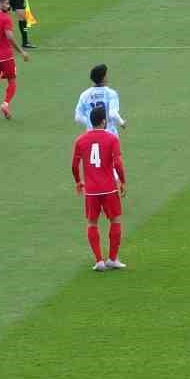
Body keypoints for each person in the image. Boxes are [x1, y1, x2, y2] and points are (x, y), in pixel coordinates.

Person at [72, 105, 128, 271]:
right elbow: (117, 163)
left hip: (91, 190)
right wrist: (123, 181)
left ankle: (99, 261)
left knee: (92, 223)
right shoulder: (112, 139)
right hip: (109, 188)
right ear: (104, 121)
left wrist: (78, 181)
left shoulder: (80, 140)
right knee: (115, 220)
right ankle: (112, 258)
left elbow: (74, 166)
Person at [74, 63, 128, 134]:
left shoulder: (84, 95)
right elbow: (112, 113)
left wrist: (91, 124)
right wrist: (122, 123)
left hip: (91, 135)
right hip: (109, 134)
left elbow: (78, 117)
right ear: (104, 78)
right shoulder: (111, 93)